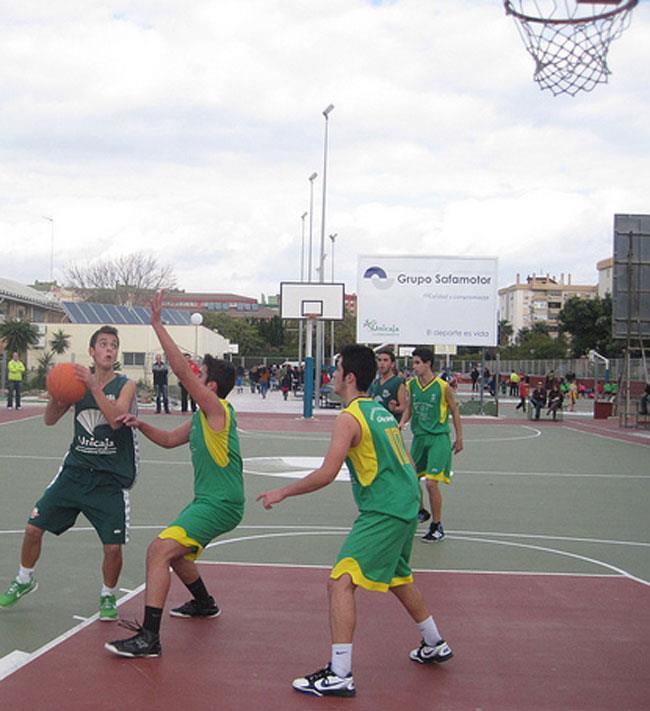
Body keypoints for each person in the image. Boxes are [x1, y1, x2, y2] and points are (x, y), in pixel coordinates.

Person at [257, 345, 452, 698]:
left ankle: (340, 673)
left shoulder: (349, 418)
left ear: (349, 377)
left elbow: (327, 473)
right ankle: (434, 642)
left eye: (335, 371)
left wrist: (282, 492)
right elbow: (407, 462)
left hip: (385, 510)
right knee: (398, 576)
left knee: (341, 581)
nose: (330, 377)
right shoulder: (379, 412)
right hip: (405, 506)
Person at [105, 291, 244, 658]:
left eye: (203, 375)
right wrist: (140, 424)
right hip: (211, 501)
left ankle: (149, 637)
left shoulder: (217, 410)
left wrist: (157, 325)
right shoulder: (202, 418)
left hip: (221, 503)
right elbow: (168, 440)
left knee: (158, 550)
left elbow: (181, 370)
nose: (196, 375)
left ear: (211, 388)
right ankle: (204, 602)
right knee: (177, 553)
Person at [0, 327, 137, 620]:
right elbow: (50, 420)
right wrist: (57, 395)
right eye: (103, 344)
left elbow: (115, 420)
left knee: (112, 548)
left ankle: (108, 596)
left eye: (113, 345)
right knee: (32, 528)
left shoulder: (126, 385)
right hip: (75, 472)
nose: (109, 349)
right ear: (92, 351)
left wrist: (93, 386)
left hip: (108, 480)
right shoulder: (78, 385)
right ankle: (25, 579)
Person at [400, 347, 463, 542]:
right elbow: (409, 408)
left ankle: (437, 526)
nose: (415, 366)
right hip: (419, 438)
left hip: (438, 438)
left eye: (418, 362)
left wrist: (459, 437)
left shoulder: (443, 387)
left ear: (428, 364)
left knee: (431, 483)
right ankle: (421, 511)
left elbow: (454, 411)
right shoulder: (411, 385)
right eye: (414, 363)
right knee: (410, 477)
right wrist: (402, 422)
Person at [368, 348, 406, 423]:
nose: (382, 363)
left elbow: (403, 407)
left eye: (385, 360)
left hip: (390, 425)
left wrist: (395, 409)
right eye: (379, 360)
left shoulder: (398, 382)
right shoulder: (375, 382)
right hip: (376, 423)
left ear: (392, 364)